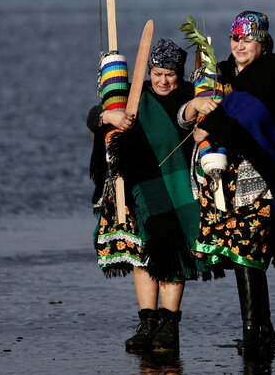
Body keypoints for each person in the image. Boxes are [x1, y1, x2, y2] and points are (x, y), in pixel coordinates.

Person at [182, 11, 275, 353]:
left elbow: (253, 117)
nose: (240, 46)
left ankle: (253, 332)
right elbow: (189, 115)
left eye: (248, 40)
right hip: (226, 177)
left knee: (248, 249)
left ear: (262, 42)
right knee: (238, 251)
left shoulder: (272, 72)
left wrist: (212, 124)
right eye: (235, 39)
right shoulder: (220, 73)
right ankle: (262, 328)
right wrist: (193, 107)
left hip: (259, 175)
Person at [87, 38, 201, 352]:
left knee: (174, 257)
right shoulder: (135, 97)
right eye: (157, 73)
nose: (163, 80)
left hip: (176, 186)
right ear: (149, 71)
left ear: (179, 74)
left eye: (170, 74)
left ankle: (169, 325)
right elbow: (94, 116)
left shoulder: (191, 96)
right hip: (137, 188)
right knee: (142, 257)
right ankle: (148, 323)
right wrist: (107, 117)